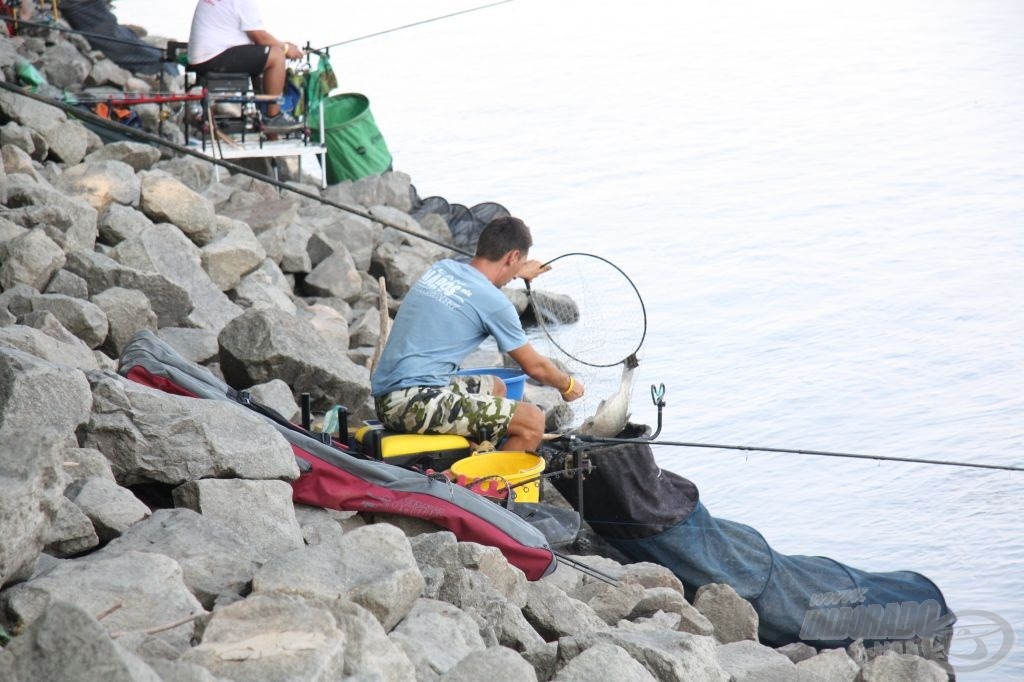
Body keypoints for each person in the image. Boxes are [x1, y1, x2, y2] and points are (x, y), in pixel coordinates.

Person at [371, 217, 585, 452]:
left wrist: (518, 270)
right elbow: (536, 368)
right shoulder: (495, 303)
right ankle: (492, 485)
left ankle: (477, 455)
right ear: (512, 257)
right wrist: (568, 385)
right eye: (518, 262)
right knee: (533, 421)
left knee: (497, 388)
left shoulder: (443, 269)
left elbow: (479, 283)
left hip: (390, 394)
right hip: (409, 404)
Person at [187, 0, 303, 131]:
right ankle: (273, 117)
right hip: (212, 58)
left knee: (267, 53)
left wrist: (280, 45)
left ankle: (265, 121)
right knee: (277, 56)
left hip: (201, 58)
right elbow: (260, 37)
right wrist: (286, 49)